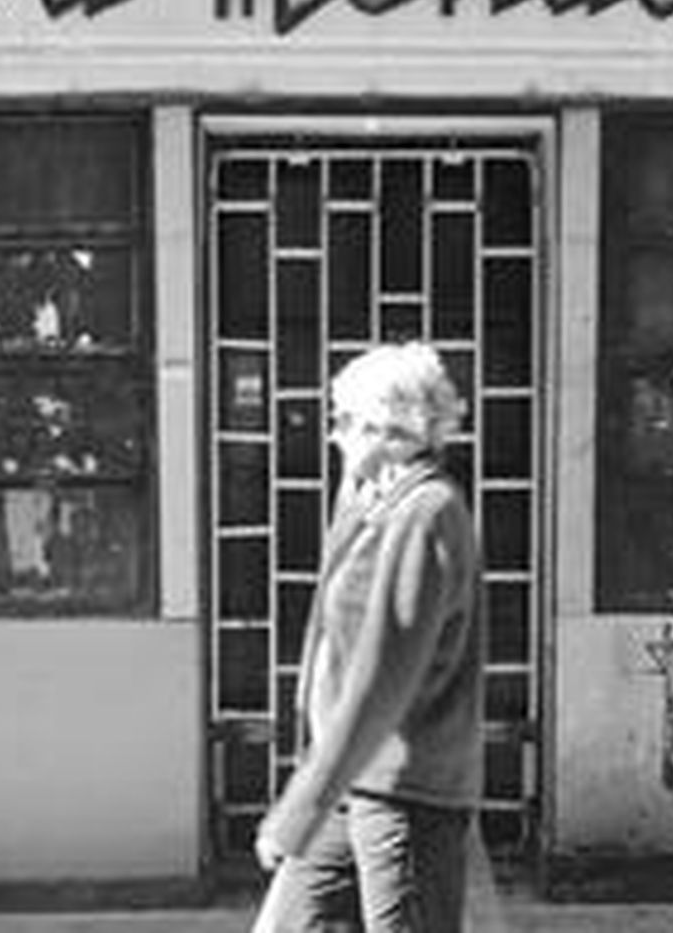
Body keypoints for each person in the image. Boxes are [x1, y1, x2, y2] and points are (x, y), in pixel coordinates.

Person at [253, 342, 484, 933]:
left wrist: (297, 809)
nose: (333, 435)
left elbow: (384, 680)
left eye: (344, 422)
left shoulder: (426, 514)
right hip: (353, 780)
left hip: (403, 793)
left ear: (388, 429)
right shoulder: (378, 504)